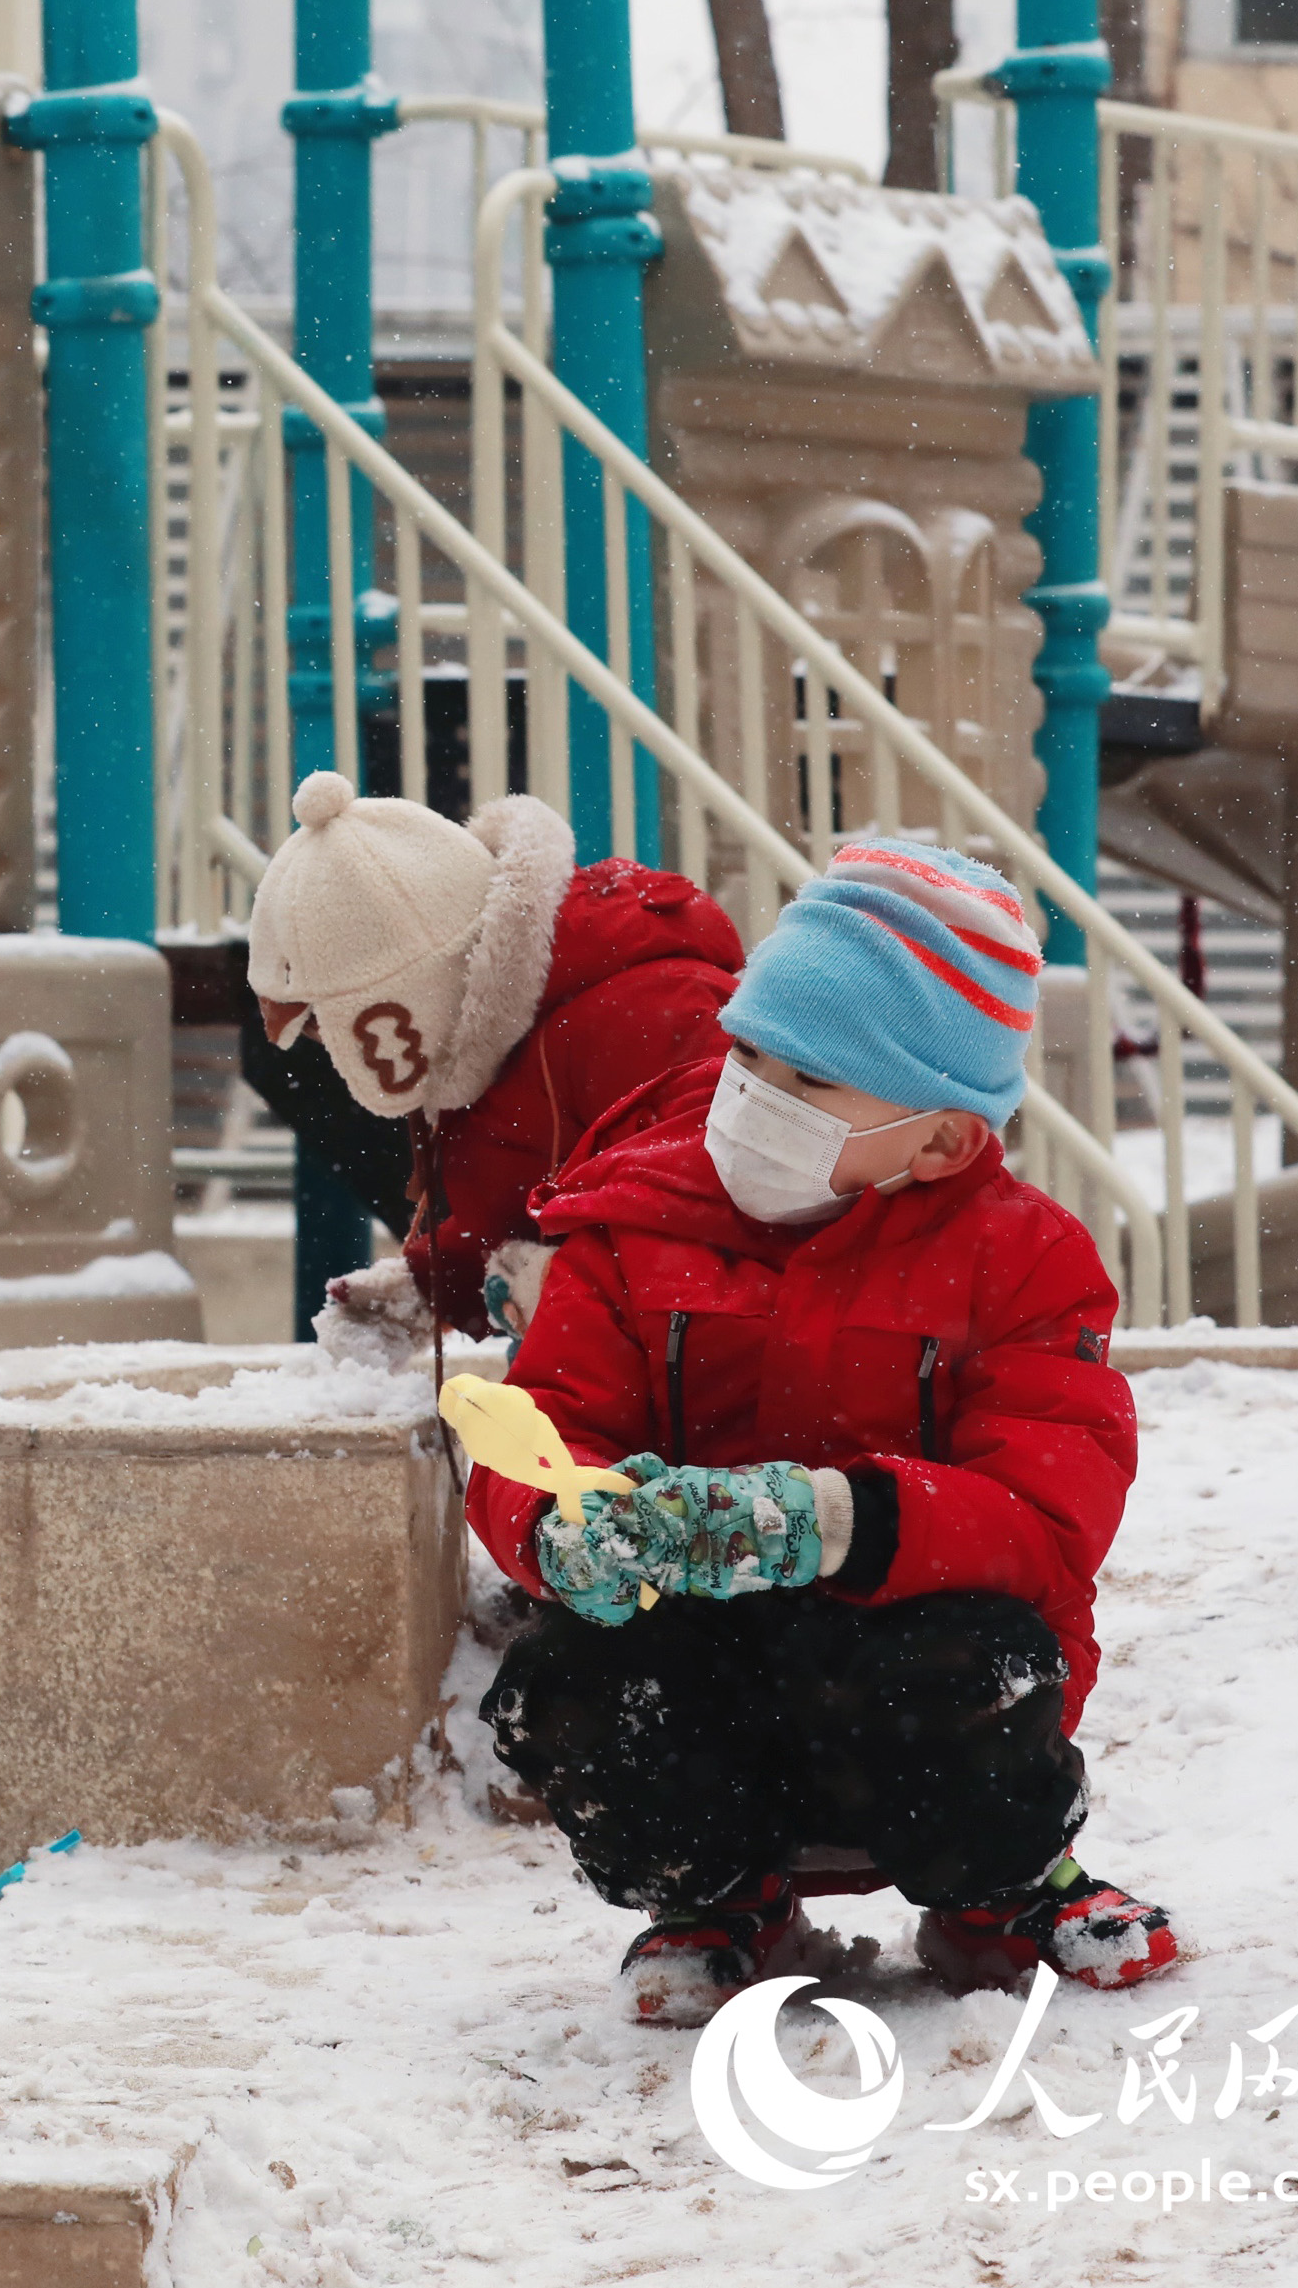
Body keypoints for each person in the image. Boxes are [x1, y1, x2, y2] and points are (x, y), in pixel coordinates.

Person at [462, 838, 1173, 2028]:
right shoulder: (637, 1225)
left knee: (969, 1664)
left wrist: (838, 1521)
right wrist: (560, 1519)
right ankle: (719, 1895)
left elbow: (1049, 1520)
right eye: (746, 1054)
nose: (752, 1097)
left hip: (897, 1650)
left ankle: (996, 1889)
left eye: (809, 1082)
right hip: (700, 1650)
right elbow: (540, 1425)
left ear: (941, 1139)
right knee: (575, 1676)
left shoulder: (1024, 1264)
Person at [243, 770, 742, 1350]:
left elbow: (726, 1214)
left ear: (409, 995)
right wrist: (433, 1284)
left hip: (707, 1383)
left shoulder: (648, 1015)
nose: (331, 1054)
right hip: (629, 1359)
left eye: (328, 1033)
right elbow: (518, 1192)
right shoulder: (502, 1027)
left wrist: (570, 1290)